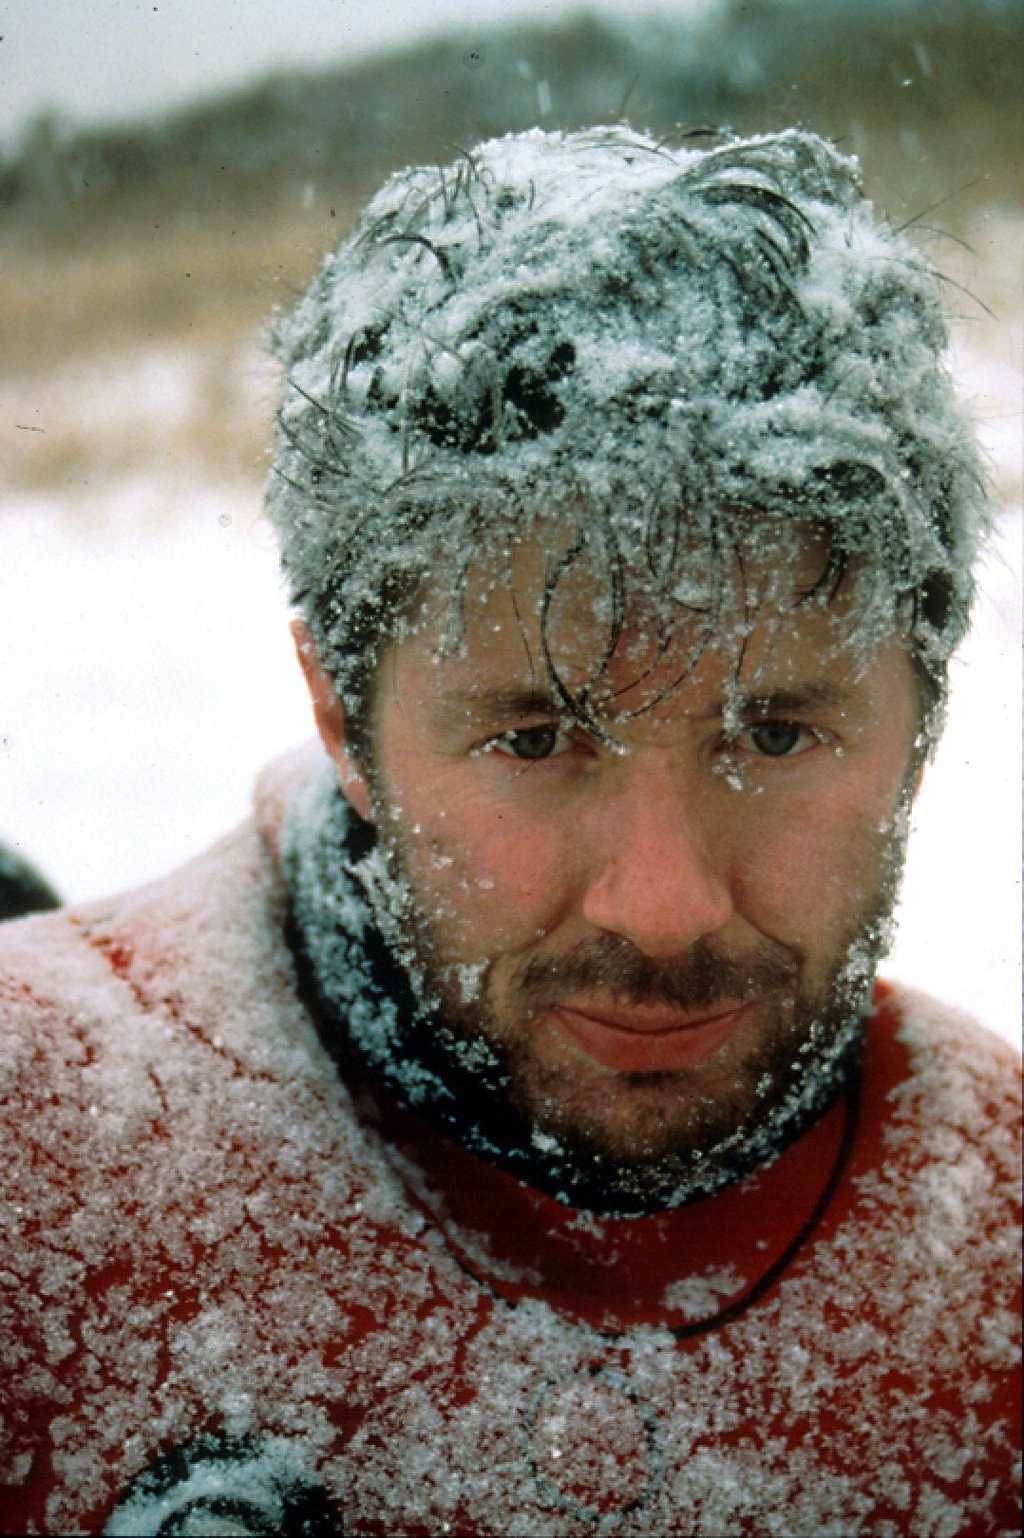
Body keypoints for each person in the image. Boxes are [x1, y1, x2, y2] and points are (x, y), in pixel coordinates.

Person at [1, 126, 1019, 1537]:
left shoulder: (1002, 1256)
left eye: (775, 734)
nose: (660, 904)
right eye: (536, 739)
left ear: (924, 710)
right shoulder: (34, 1168)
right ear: (345, 718)